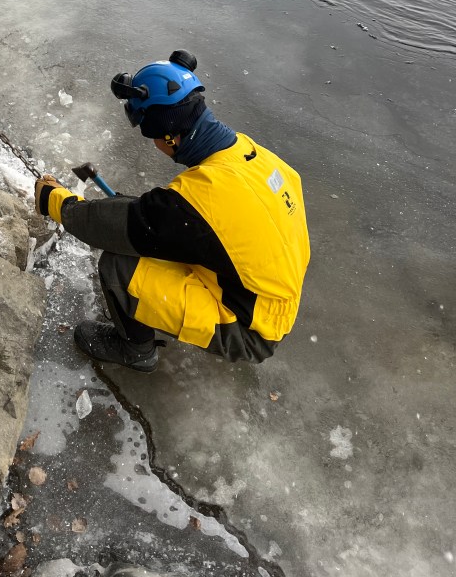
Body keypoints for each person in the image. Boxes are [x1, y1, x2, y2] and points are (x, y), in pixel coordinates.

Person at [34, 51, 310, 373]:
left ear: (169, 135)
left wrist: (53, 200)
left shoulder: (199, 198)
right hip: (271, 299)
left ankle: (136, 351)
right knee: (158, 237)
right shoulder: (256, 156)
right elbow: (174, 218)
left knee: (118, 266)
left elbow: (105, 226)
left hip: (249, 327)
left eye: (150, 136)